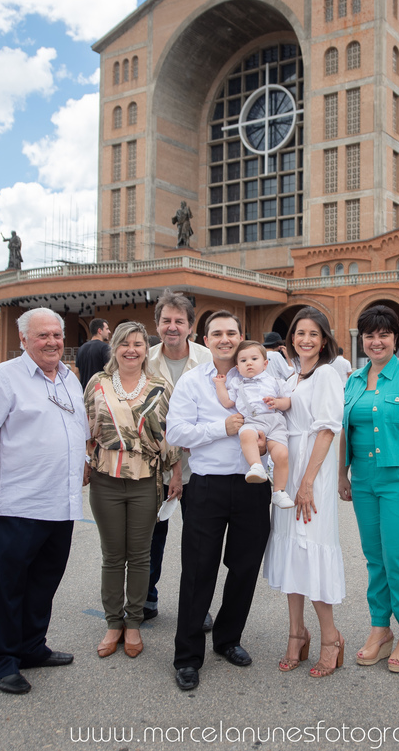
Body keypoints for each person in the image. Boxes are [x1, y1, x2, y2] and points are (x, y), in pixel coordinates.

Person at [0, 308, 88, 695]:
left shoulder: (69, 377)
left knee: (44, 581)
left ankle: (31, 647)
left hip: (63, 501)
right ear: (23, 339)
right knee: (9, 586)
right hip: (21, 503)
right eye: (43, 336)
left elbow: (76, 427)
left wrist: (84, 462)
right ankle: (0, 661)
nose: (52, 342)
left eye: (57, 334)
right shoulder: (5, 377)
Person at [165, 310, 271, 692]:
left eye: (232, 333)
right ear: (204, 339)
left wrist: (268, 445)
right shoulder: (193, 381)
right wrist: (220, 428)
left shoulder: (262, 376)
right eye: (217, 334)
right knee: (198, 570)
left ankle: (228, 639)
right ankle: (187, 656)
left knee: (244, 569)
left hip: (252, 485)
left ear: (242, 336)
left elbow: (285, 423)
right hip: (207, 486)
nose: (225, 339)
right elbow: (176, 431)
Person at [340, 305, 399, 674]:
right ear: (361, 339)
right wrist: (341, 476)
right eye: (368, 335)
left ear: (396, 339)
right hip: (363, 481)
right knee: (375, 558)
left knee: (398, 558)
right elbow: (344, 431)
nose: (375, 341)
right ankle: (380, 629)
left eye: (383, 335)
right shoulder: (352, 380)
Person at [83, 322, 182, 661]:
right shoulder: (97, 383)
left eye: (138, 344)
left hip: (146, 479)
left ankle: (134, 622)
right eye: (125, 343)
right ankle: (113, 623)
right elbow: (84, 426)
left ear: (146, 349)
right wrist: (84, 460)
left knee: (140, 555)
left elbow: (172, 434)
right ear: (114, 347)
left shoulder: (160, 385)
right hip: (106, 478)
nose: (131, 349)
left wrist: (177, 474)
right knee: (113, 556)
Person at [262, 307, 347, 678]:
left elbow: (328, 429)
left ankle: (331, 637)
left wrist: (308, 481)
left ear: (324, 339)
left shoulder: (327, 374)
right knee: (291, 551)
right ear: (291, 339)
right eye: (300, 333)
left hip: (313, 469)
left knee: (311, 548)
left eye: (313, 334)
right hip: (288, 469)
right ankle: (296, 632)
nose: (306, 340)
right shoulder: (292, 377)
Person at [145, 290, 212, 623]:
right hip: (155, 466)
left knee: (198, 540)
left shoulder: (208, 359)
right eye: (166, 320)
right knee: (152, 535)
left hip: (199, 465)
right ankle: (146, 598)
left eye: (179, 321)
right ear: (157, 324)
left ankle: (197, 609)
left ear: (190, 326)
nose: (172, 327)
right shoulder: (143, 360)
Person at [213, 340, 294, 509]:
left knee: (282, 454)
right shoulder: (236, 383)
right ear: (237, 366)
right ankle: (256, 466)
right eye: (243, 361)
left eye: (254, 359)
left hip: (274, 421)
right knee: (246, 435)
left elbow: (287, 401)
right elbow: (227, 402)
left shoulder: (275, 381)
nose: (249, 363)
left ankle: (279, 492)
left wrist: (277, 403)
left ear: (265, 364)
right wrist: (220, 385)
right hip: (252, 420)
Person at [75, 318, 111, 387]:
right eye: (107, 329)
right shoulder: (105, 348)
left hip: (85, 392)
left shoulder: (81, 349)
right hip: (99, 391)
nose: (109, 331)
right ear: (99, 331)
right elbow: (110, 370)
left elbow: (77, 373)